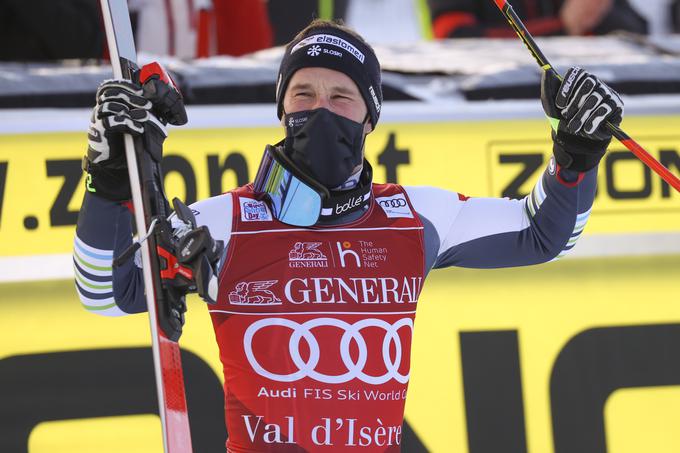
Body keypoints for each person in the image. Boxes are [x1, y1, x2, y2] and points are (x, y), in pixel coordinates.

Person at [74, 19, 624, 451]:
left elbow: (542, 233)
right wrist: (109, 180)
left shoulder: (415, 216)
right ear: (281, 107)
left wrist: (574, 151)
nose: (319, 110)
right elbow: (104, 293)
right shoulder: (223, 222)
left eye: (341, 98)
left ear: (369, 117)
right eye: (303, 95)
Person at [428, 0, 648, 38]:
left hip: (574, 105)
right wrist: (563, 26)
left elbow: (636, 30)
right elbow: (455, 38)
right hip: (489, 108)